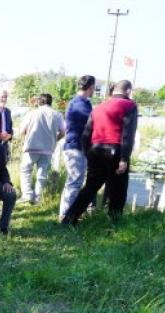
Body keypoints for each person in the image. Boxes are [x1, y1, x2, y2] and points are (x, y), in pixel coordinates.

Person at [62, 80, 138, 224]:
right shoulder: (129, 106)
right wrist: (124, 158)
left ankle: (69, 219)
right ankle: (114, 222)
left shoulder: (98, 107)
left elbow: (86, 133)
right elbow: (129, 133)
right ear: (128, 91)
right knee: (118, 189)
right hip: (115, 149)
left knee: (90, 187)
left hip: (95, 150)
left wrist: (87, 152)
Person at [59, 75, 96, 219]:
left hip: (81, 147)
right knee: (74, 182)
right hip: (75, 147)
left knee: (77, 181)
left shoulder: (85, 102)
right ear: (91, 87)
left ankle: (71, 214)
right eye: (94, 88)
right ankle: (65, 215)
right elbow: (94, 121)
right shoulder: (79, 104)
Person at [18, 93, 66, 204]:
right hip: (48, 148)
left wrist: (25, 139)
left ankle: (27, 195)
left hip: (31, 146)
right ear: (50, 102)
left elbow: (21, 130)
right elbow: (63, 132)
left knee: (26, 170)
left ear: (39, 102)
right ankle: (38, 197)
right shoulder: (57, 115)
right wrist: (55, 140)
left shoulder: (32, 113)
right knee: (42, 173)